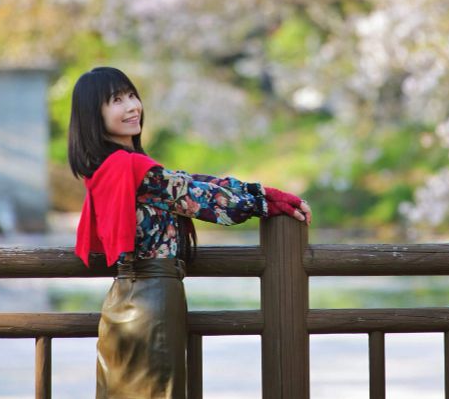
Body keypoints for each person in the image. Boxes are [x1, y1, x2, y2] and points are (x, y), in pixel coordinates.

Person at [69, 66, 311, 399]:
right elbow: (205, 200)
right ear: (93, 116)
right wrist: (266, 201)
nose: (131, 107)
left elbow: (191, 181)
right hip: (152, 302)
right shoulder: (133, 170)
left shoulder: (113, 168)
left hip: (123, 300)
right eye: (116, 101)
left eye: (131, 96)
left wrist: (267, 195)